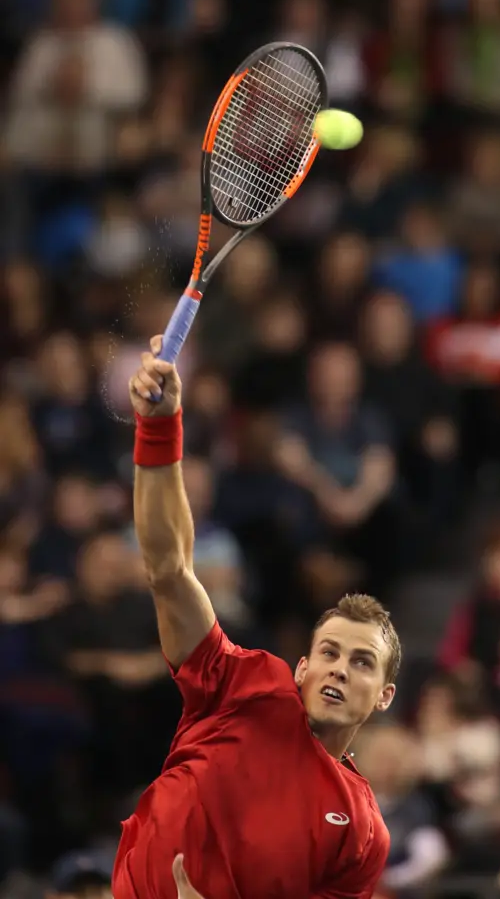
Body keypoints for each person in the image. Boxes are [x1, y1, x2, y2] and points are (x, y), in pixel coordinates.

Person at [113, 335, 401, 899]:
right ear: (299, 668)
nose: (339, 669)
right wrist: (160, 426)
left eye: (362, 662)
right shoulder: (242, 683)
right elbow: (170, 570)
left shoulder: (363, 832)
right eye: (329, 653)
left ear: (385, 696)